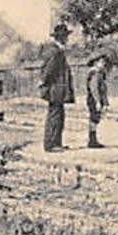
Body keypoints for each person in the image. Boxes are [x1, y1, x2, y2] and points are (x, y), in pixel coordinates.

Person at [39, 22, 75, 151]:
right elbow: (49, 69)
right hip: (56, 89)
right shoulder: (55, 52)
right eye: (65, 37)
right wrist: (43, 81)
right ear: (61, 38)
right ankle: (51, 145)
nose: (67, 39)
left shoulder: (57, 50)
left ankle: (56, 143)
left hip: (58, 89)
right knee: (55, 116)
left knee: (59, 115)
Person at [85, 52, 111, 148]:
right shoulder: (95, 73)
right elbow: (94, 88)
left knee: (95, 119)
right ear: (95, 63)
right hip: (94, 99)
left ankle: (93, 139)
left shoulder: (98, 73)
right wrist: (97, 101)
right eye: (101, 62)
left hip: (95, 99)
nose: (103, 64)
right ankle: (92, 140)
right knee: (93, 119)